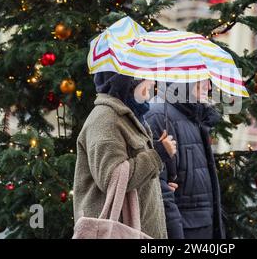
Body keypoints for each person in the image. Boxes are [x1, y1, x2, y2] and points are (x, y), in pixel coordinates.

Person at [73, 72, 176, 239]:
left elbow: (134, 168)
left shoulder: (129, 117)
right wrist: (158, 154)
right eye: (147, 77)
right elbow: (113, 177)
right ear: (129, 82)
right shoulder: (105, 119)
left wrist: (160, 185)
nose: (152, 82)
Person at [145, 80, 225, 239]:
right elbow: (160, 192)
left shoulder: (193, 116)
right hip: (185, 230)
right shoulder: (160, 115)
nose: (209, 87)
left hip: (201, 229)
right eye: (203, 80)